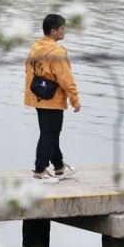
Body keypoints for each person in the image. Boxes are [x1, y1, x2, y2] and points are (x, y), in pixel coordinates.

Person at [24, 14, 81, 183]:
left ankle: (59, 167)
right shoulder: (57, 52)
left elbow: (28, 70)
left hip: (38, 96)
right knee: (49, 134)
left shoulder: (35, 47)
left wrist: (34, 93)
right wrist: (75, 99)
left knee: (50, 133)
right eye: (62, 29)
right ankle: (40, 171)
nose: (64, 31)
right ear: (53, 31)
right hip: (52, 99)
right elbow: (66, 78)